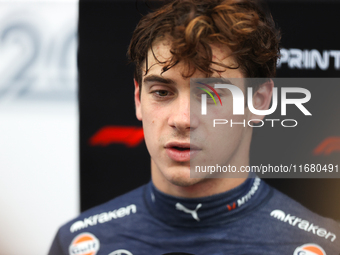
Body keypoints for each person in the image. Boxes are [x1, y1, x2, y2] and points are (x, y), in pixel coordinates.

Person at [49, 0, 340, 254]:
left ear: (259, 101)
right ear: (138, 98)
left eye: (210, 95)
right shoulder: (79, 243)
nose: (183, 119)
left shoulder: (324, 245)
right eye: (162, 92)